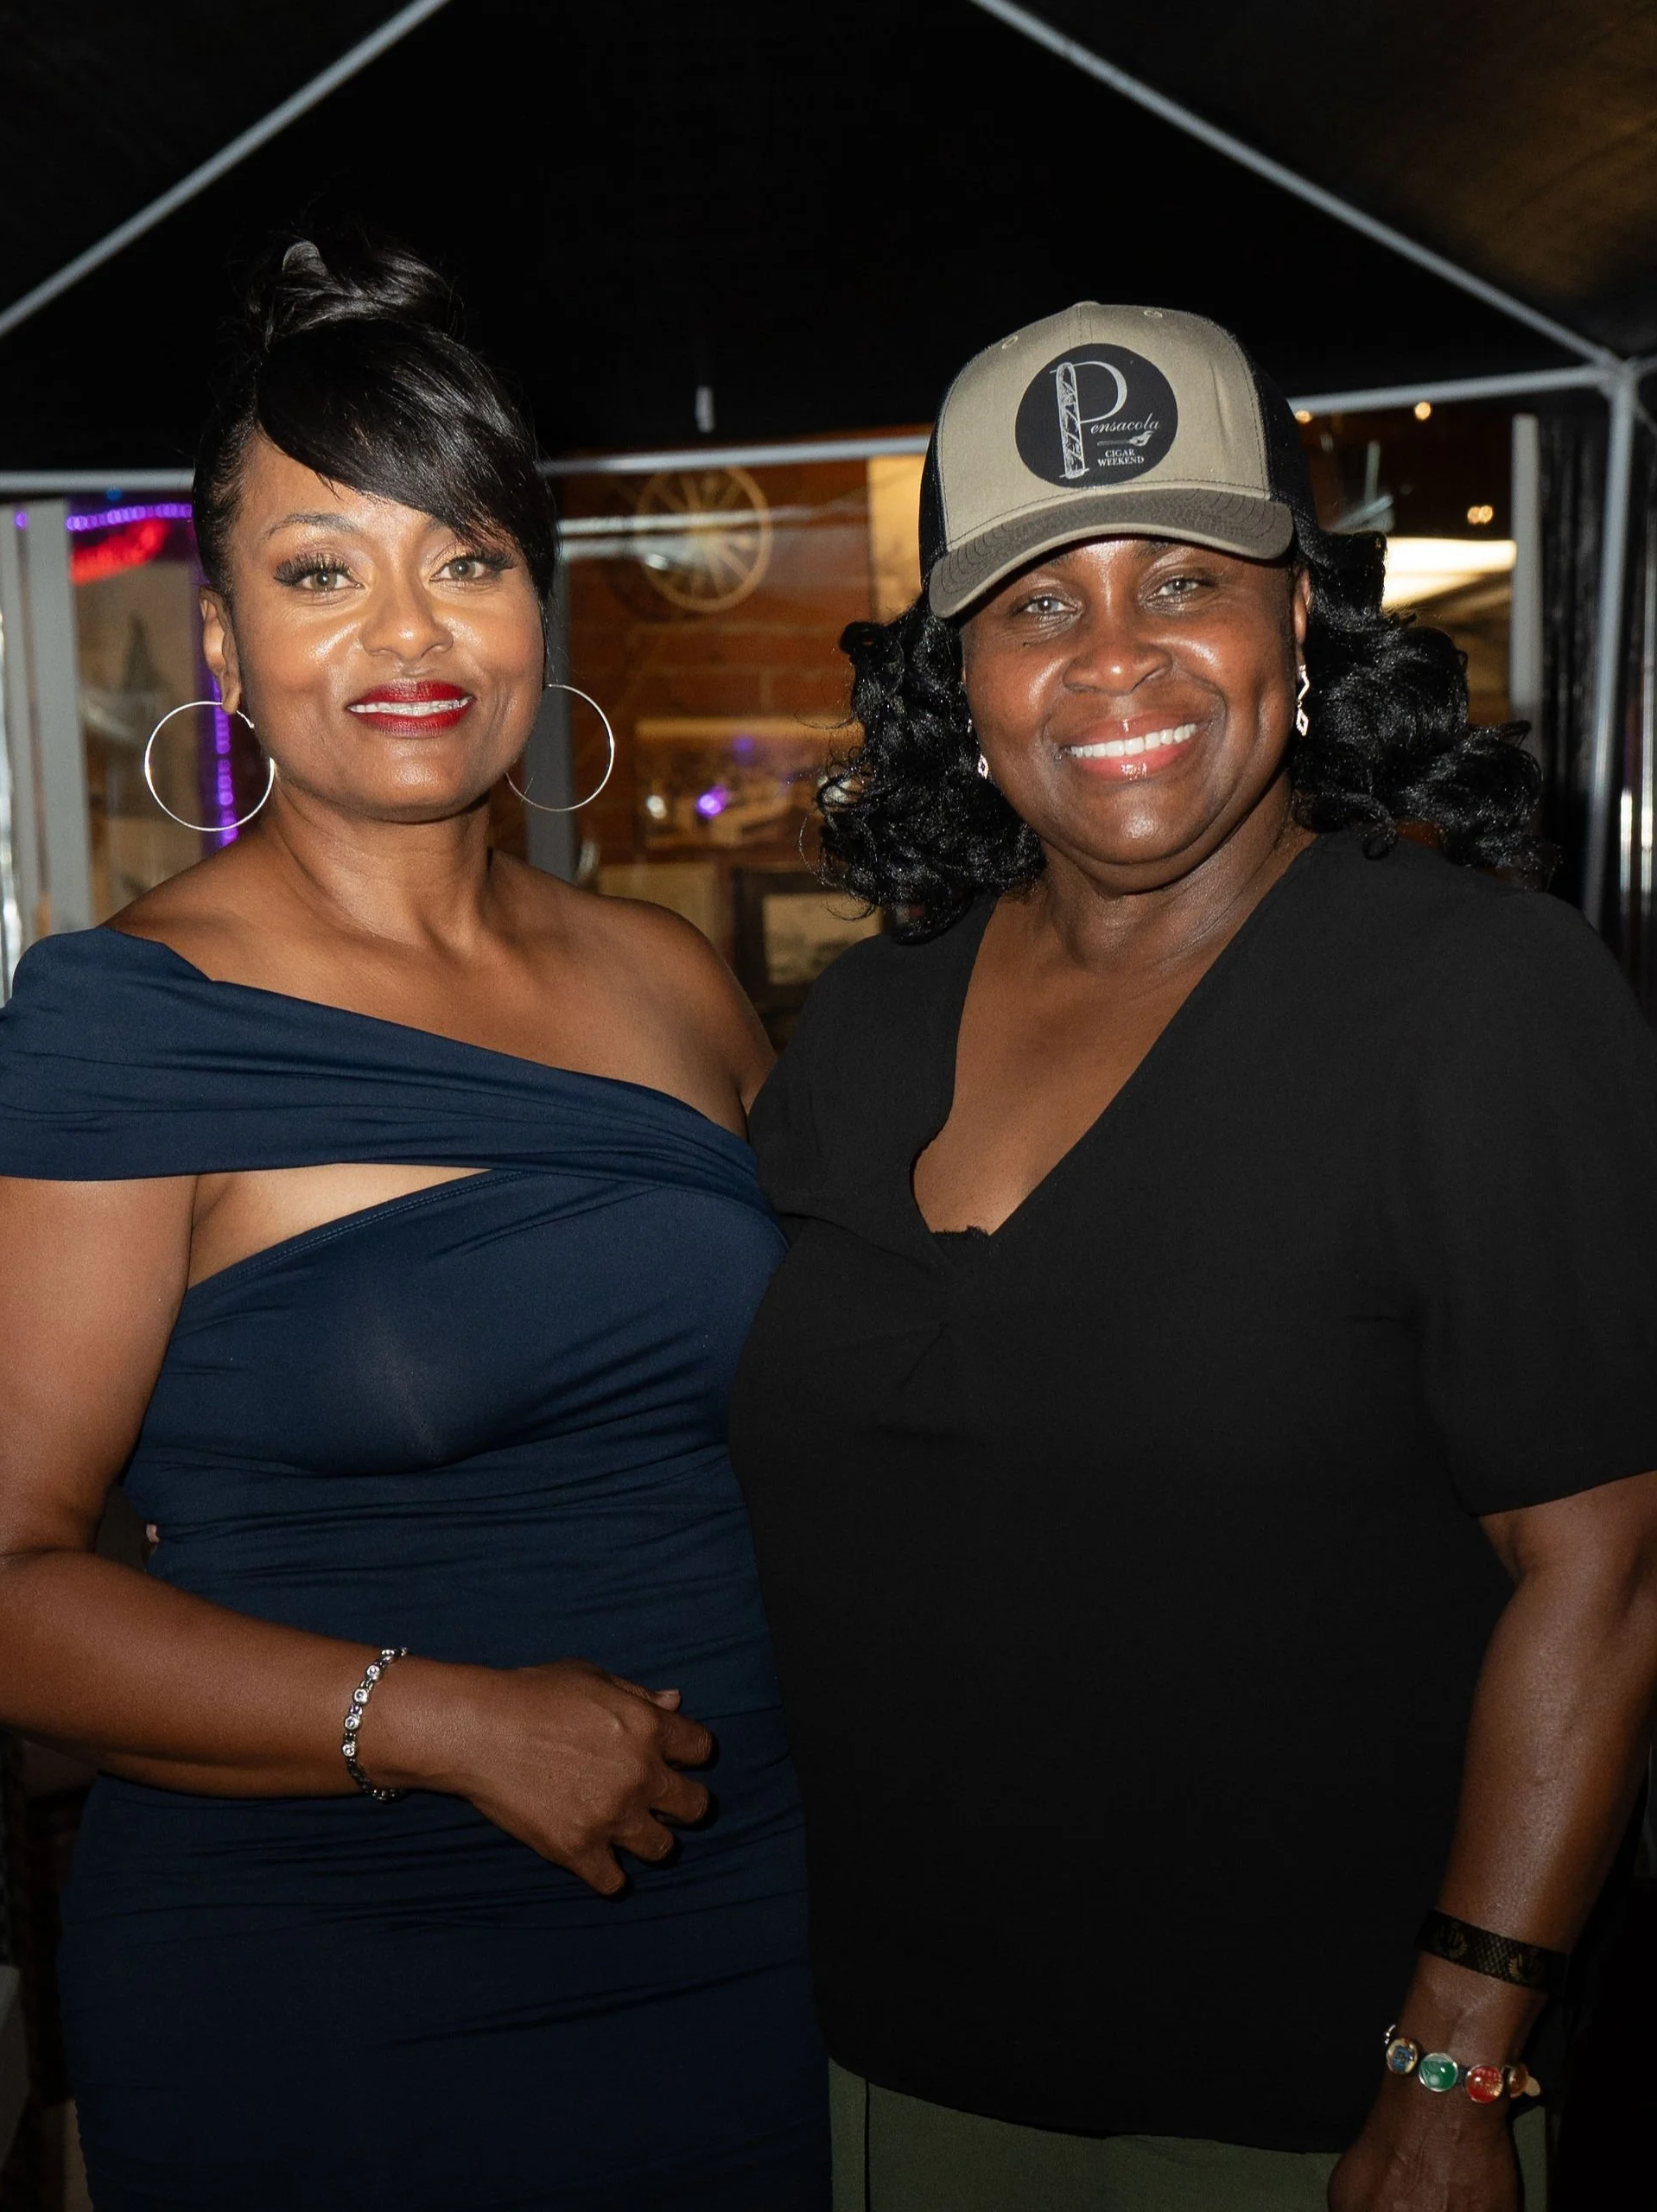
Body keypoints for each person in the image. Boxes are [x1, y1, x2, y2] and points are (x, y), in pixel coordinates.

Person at [0, 237, 828, 2212]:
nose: (409, 632)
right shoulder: (130, 1023)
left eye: (464, 557)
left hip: (749, 1923)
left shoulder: (668, 980)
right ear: (224, 639)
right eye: (322, 571)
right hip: (333, 1971)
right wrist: (449, 1719)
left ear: (534, 601)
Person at [728, 302, 1657, 2212]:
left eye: (1183, 579)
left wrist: (1451, 2063)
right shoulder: (872, 1020)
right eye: (1036, 602)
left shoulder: (1477, 996)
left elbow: (1611, 1571)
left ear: (1297, 616)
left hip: (1318, 2106)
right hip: (898, 2054)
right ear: (961, 672)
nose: (1114, 654)